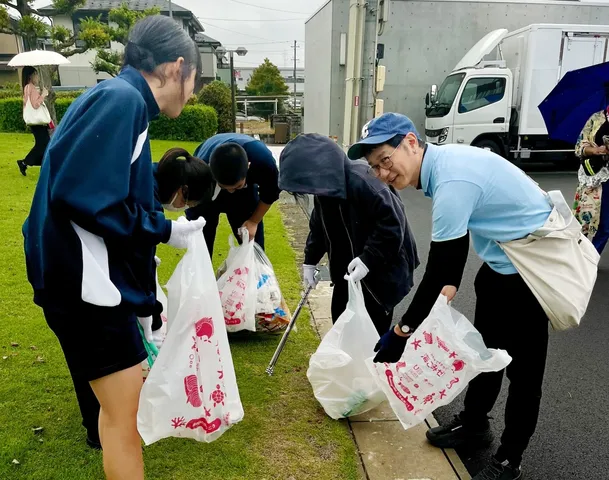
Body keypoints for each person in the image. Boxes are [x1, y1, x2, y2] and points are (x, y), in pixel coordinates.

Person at [22, 16, 206, 480]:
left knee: (114, 415)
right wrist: (163, 231)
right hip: (89, 295)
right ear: (178, 66)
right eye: (195, 79)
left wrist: (155, 234)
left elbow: (100, 196)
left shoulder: (120, 100)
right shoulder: (122, 101)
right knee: (126, 422)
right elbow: (86, 199)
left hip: (80, 287)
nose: (194, 92)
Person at [349, 113, 553, 480]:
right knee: (483, 353)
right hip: (500, 266)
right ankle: (474, 425)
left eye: (384, 160)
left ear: (411, 142)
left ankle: (510, 458)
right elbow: (451, 269)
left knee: (524, 374)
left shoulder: (451, 180)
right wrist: (447, 287)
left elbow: (439, 272)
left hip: (531, 276)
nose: (382, 173)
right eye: (374, 167)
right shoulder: (443, 166)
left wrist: (401, 333)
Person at [67, 147, 215, 451]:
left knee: (83, 349)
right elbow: (139, 271)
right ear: (182, 190)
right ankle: (104, 428)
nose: (184, 208)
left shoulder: (146, 173)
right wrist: (153, 316)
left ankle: (101, 422)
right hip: (75, 271)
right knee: (100, 351)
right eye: (189, 201)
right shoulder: (148, 200)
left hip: (68, 259)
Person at [279, 133, 419, 335]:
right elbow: (319, 227)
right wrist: (310, 260)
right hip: (347, 271)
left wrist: (368, 259)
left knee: (371, 330)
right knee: (341, 322)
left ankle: (371, 363)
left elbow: (393, 226)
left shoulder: (365, 182)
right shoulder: (323, 189)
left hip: (381, 270)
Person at [186, 133, 280, 256]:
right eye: (225, 187)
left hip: (245, 194)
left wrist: (253, 221)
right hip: (208, 189)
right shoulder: (200, 172)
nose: (231, 191)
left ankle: (253, 274)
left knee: (252, 246)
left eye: (237, 187)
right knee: (200, 245)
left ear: (248, 166)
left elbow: (270, 193)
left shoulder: (263, 161)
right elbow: (193, 210)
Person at [573, 107, 609, 253]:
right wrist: (596, 150)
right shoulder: (596, 118)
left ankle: (591, 260)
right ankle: (577, 257)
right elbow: (579, 146)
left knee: (605, 226)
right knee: (583, 222)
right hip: (593, 178)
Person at [17, 66, 51, 176]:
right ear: (31, 76)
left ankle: (40, 164)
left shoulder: (27, 87)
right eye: (36, 74)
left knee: (44, 144)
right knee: (42, 144)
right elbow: (35, 105)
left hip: (36, 122)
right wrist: (43, 95)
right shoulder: (30, 87)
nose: (37, 77)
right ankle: (25, 162)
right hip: (38, 122)